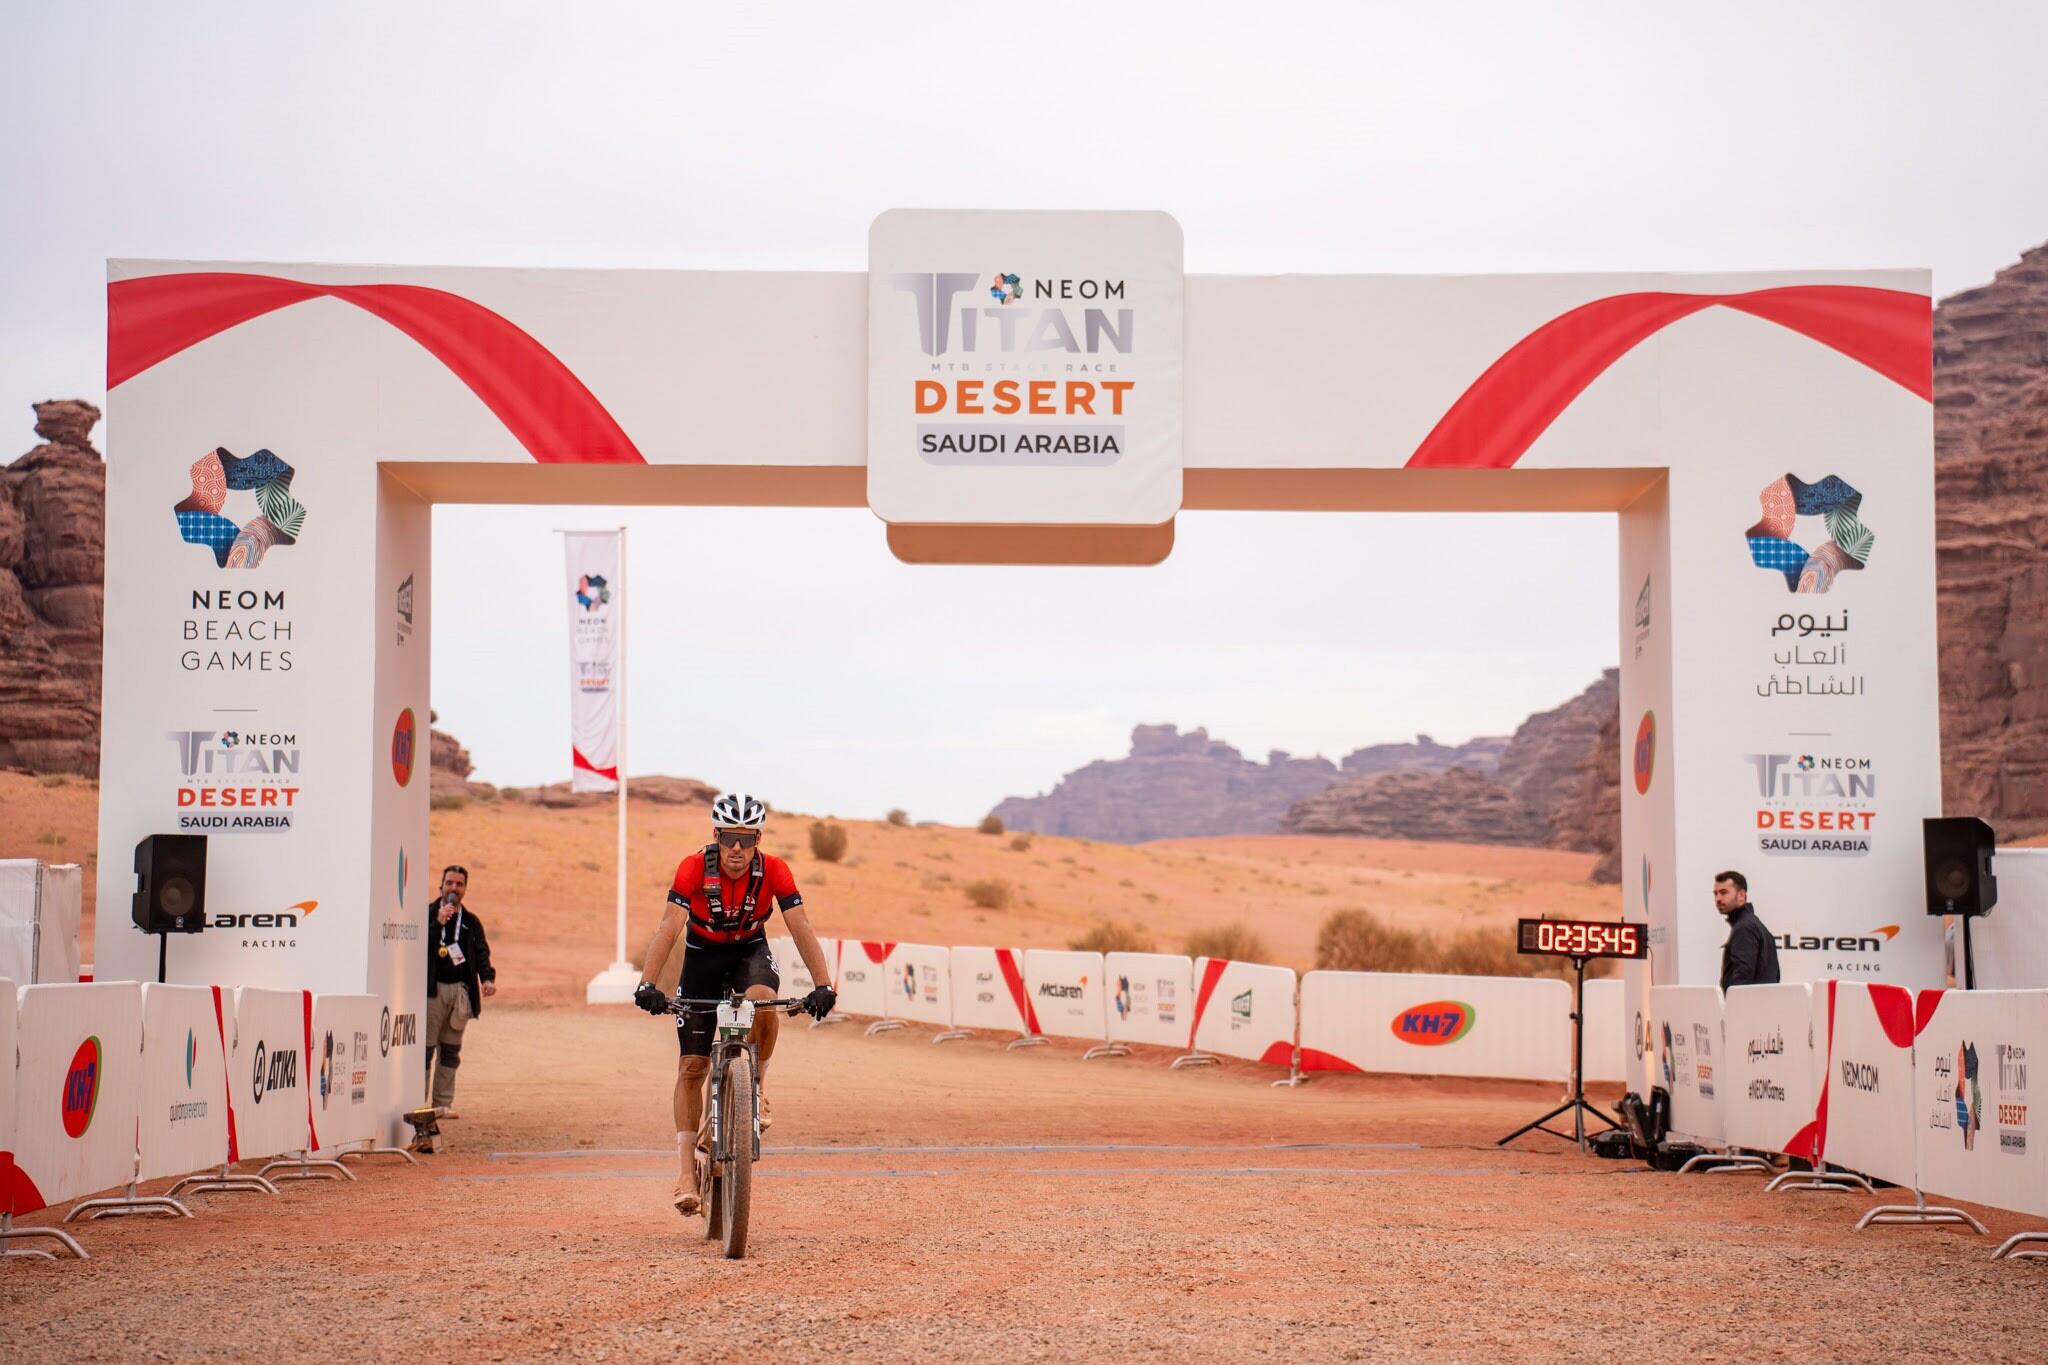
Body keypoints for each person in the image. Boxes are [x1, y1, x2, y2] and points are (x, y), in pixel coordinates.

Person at [633, 792, 836, 1217]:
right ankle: (686, 1175)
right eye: (729, 838)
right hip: (701, 958)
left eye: (747, 838)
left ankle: (755, 1086)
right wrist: (647, 983)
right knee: (692, 1067)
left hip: (749, 952)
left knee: (763, 1001)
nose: (737, 848)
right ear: (717, 837)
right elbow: (669, 926)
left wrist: (823, 984)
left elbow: (800, 926)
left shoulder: (774, 870)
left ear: (758, 839)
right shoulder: (692, 868)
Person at [423, 864, 495, 1127]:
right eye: (450, 883)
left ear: (465, 889)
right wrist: (437, 923)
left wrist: (487, 978)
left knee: (451, 1049)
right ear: (441, 885)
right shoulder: (427, 914)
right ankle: (418, 1103)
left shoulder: (470, 922)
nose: (454, 888)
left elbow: (482, 952)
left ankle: (442, 1103)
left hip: (460, 993)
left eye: (459, 884)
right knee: (425, 1049)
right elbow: (419, 945)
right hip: (432, 991)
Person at [1714, 869, 1780, 990]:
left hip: (1746, 1001)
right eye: (1715, 893)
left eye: (1723, 892)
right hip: (1759, 1000)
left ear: (1741, 895)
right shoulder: (1752, 924)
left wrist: (1732, 1000)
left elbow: (1742, 980)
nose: (1718, 898)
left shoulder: (1744, 928)